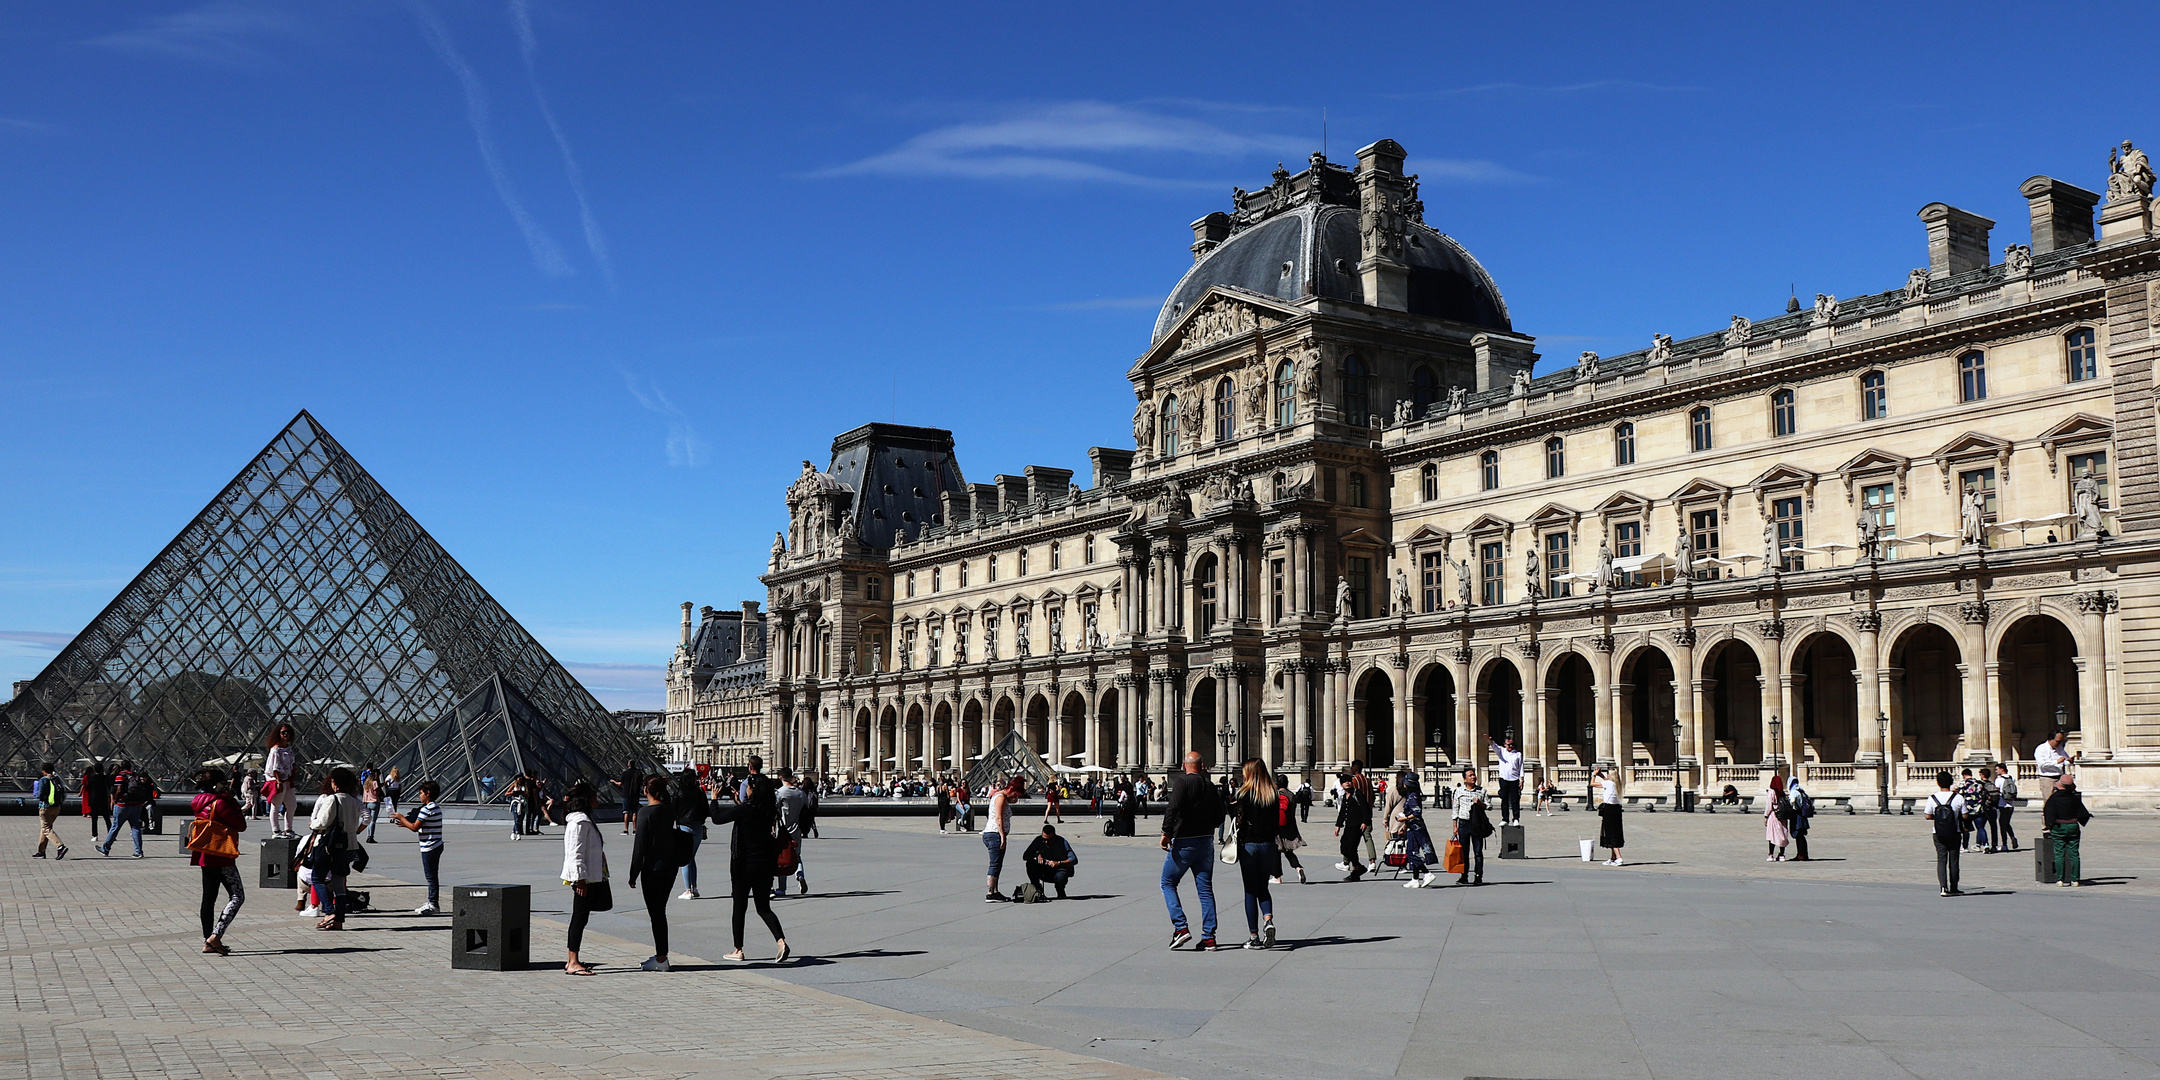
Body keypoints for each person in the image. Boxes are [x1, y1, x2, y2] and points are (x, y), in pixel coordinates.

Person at [709, 771, 788, 962]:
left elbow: (717, 818)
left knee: (739, 907)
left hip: (743, 865)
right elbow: (750, 817)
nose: (748, 790)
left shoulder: (746, 809)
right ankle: (781, 941)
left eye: (749, 787)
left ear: (754, 790)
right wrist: (739, 803)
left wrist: (713, 799)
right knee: (763, 907)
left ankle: (738, 949)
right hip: (765, 864)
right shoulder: (768, 809)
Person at [1159, 751, 1222, 950]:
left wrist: (1166, 832)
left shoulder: (1182, 782)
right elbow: (1221, 815)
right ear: (1202, 766)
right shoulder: (1210, 786)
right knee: (1205, 890)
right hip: (1206, 842)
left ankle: (1181, 927)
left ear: (1185, 766)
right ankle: (1209, 937)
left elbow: (1173, 808)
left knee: (1167, 882)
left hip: (1185, 840)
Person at [188, 769, 247, 955]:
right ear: (217, 784)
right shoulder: (221, 803)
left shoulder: (199, 801)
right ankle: (215, 936)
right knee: (237, 896)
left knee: (208, 899)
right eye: (224, 781)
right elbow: (241, 825)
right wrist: (231, 800)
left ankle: (207, 941)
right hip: (222, 855)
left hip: (205, 855)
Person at [628, 776, 681, 971]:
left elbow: (639, 847)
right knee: (660, 912)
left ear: (646, 791)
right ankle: (661, 955)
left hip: (652, 869)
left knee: (656, 914)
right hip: (670, 866)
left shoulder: (645, 813)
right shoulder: (668, 810)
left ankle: (661, 959)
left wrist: (633, 874)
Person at [1231, 760, 1285, 946]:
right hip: (1268, 845)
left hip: (1250, 846)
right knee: (1263, 887)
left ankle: (1253, 937)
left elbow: (1238, 820)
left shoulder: (1243, 794)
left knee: (1250, 890)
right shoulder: (1273, 794)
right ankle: (1268, 920)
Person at [305, 768, 363, 929]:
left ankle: (329, 911)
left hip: (329, 846)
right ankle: (339, 920)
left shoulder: (332, 799)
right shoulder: (353, 801)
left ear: (335, 783)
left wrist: (312, 824)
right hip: (349, 846)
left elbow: (322, 822)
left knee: (317, 878)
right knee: (339, 883)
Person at [560, 782, 607, 975]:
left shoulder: (584, 820)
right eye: (594, 796)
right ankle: (572, 961)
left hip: (588, 877)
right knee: (579, 918)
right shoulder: (578, 823)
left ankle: (573, 959)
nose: (597, 799)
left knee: (582, 917)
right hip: (583, 879)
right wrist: (580, 879)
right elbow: (574, 853)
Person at [387, 780, 445, 915]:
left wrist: (401, 817)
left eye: (421, 793)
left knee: (431, 877)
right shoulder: (436, 807)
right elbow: (419, 824)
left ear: (428, 793)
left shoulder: (426, 809)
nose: (419, 796)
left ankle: (433, 904)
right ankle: (432, 901)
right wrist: (405, 823)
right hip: (437, 844)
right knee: (433, 875)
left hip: (429, 846)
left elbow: (414, 827)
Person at [2043, 774, 2092, 887]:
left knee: (2059, 853)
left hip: (2059, 826)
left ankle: (2060, 879)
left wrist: (2049, 825)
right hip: (2073, 825)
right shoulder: (2074, 797)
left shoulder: (2054, 798)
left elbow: (2048, 812)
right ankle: (2075, 879)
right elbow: (2083, 813)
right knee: (2074, 854)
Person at [99, 760, 153, 858]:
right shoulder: (136, 776)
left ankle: (105, 849)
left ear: (121, 767)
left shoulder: (121, 775)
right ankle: (138, 851)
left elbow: (119, 789)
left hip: (123, 805)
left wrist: (116, 799)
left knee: (115, 827)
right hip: (136, 805)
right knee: (136, 828)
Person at [982, 775, 1023, 902]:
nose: (1016, 797)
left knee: (998, 864)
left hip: (994, 834)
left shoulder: (1001, 797)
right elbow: (998, 818)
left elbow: (1011, 803)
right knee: (994, 864)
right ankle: (990, 893)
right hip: (995, 834)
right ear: (1011, 790)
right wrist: (1002, 836)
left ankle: (995, 891)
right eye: (1016, 794)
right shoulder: (1000, 798)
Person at [1923, 770, 1964, 897]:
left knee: (1941, 860)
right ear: (1951, 782)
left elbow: (1928, 816)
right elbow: (1966, 815)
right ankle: (1954, 887)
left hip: (1938, 832)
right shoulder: (1958, 798)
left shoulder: (1932, 798)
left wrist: (1940, 819)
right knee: (1954, 860)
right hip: (1954, 831)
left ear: (1938, 783)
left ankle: (1943, 887)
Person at [673, 770, 709, 900]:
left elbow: (673, 809)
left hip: (684, 826)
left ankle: (688, 890)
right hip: (698, 827)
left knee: (686, 859)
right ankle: (694, 887)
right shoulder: (700, 792)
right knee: (691, 857)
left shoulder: (679, 792)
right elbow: (706, 810)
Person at [773, 769, 807, 896]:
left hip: (783, 829)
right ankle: (800, 875)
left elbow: (774, 810)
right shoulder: (801, 793)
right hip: (796, 829)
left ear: (780, 777)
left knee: (782, 859)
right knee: (796, 856)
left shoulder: (780, 793)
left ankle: (782, 888)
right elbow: (806, 809)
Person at [1334, 769, 1373, 881]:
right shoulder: (1344, 797)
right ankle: (1359, 867)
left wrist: (1365, 822)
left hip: (1357, 826)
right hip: (1348, 826)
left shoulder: (1357, 794)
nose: (1348, 783)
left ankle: (1355, 871)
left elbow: (1365, 808)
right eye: (1345, 782)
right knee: (1343, 847)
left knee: (1351, 848)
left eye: (1349, 781)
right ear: (1341, 785)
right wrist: (1338, 826)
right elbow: (1342, 812)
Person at [1451, 767, 1488, 886]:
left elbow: (1489, 806)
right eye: (1470, 775)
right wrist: (1455, 826)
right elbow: (1455, 809)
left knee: (1478, 851)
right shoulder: (1459, 791)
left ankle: (1478, 876)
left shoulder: (1482, 791)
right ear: (1465, 779)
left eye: (1474, 775)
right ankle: (1464, 875)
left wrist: (1480, 803)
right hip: (1463, 823)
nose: (1473, 777)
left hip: (1476, 824)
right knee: (1463, 852)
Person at [1022, 824, 1077, 898]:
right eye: (1044, 839)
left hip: (1059, 869)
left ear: (1054, 836)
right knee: (1030, 864)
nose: (1046, 842)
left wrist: (1058, 863)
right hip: (1044, 870)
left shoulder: (1062, 842)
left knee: (1061, 877)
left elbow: (1074, 859)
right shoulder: (1038, 840)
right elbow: (1025, 856)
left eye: (1049, 840)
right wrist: (1037, 855)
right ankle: (1037, 889)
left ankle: (1060, 890)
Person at [264, 724, 298, 838]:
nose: (286, 734)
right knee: (276, 806)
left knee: (292, 805)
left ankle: (288, 829)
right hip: (278, 781)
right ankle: (276, 831)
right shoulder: (275, 750)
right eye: (283, 732)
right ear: (278, 734)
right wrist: (278, 782)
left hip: (288, 780)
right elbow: (275, 768)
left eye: (288, 732)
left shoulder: (288, 748)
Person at [33, 762, 68, 860]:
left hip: (46, 807)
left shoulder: (43, 780)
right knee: (45, 828)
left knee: (46, 828)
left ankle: (60, 846)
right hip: (56, 807)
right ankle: (41, 851)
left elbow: (39, 794)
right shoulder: (56, 779)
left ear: (44, 770)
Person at [1489, 735, 1525, 826]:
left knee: (1515, 800)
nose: (1511, 746)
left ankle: (1516, 818)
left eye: (1512, 744)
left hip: (1514, 779)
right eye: (1509, 744)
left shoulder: (1518, 754)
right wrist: (1490, 740)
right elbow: (1494, 746)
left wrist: (1522, 779)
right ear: (1505, 744)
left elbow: (1521, 767)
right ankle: (1505, 819)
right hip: (1503, 779)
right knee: (1504, 800)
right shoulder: (1501, 751)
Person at [1594, 767, 1625, 866]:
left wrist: (1594, 775)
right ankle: (1613, 858)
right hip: (1616, 810)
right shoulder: (1616, 784)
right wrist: (1601, 775)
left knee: (1610, 833)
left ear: (1610, 776)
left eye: (1608, 774)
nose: (1606, 775)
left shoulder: (1608, 783)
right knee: (1614, 831)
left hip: (1608, 810)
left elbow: (1592, 784)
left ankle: (1619, 857)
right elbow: (1607, 781)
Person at [1763, 775, 1793, 862]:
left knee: (1772, 835)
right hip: (1782, 816)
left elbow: (1769, 806)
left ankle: (1771, 854)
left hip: (1774, 816)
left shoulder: (1771, 792)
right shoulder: (1782, 792)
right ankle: (1782, 854)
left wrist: (1766, 816)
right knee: (1782, 835)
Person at [82, 762, 113, 840]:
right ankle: (111, 834)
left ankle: (95, 835)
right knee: (107, 818)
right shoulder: (105, 778)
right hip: (103, 799)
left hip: (93, 799)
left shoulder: (90, 778)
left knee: (94, 819)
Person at [1786, 774, 1814, 861]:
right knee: (1801, 835)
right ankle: (1803, 854)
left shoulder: (1794, 791)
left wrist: (1793, 806)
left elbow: (1792, 800)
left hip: (1797, 815)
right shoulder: (1802, 791)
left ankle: (1801, 854)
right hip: (1802, 815)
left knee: (1799, 835)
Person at [1995, 766, 2020, 852]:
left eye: (1997, 769)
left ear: (2002, 769)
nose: (1996, 771)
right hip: (2011, 804)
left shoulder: (1998, 779)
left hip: (2002, 804)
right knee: (2006, 823)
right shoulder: (2012, 778)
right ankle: (2012, 837)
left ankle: (2004, 844)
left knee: (2002, 825)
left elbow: (1996, 791)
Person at [615, 764, 645, 835]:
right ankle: (635, 829)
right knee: (635, 812)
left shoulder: (625, 773)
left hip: (626, 795)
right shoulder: (638, 773)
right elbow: (641, 783)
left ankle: (626, 829)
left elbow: (620, 783)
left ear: (628, 765)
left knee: (626, 812)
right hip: (635, 794)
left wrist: (614, 782)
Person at [1975, 766, 1999, 853]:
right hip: (1993, 808)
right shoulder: (1992, 784)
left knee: (1981, 827)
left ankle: (1982, 844)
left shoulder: (1980, 785)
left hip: (1983, 808)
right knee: (1993, 827)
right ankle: (1994, 845)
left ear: (1982, 775)